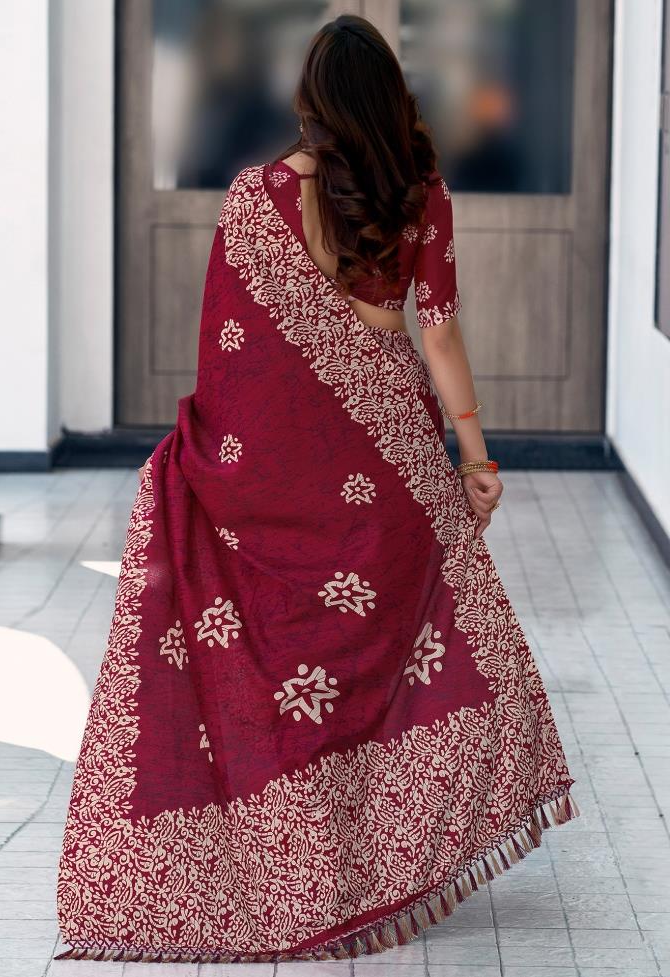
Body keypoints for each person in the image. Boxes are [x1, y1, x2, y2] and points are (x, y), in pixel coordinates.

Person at [56, 14, 578, 964]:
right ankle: (376, 859)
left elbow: (231, 357)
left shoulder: (256, 196)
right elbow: (442, 336)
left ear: (311, 102)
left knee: (292, 657)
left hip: (287, 468)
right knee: (397, 653)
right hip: (395, 466)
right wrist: (475, 458)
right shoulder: (424, 193)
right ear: (392, 99)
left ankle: (306, 862)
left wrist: (210, 462)